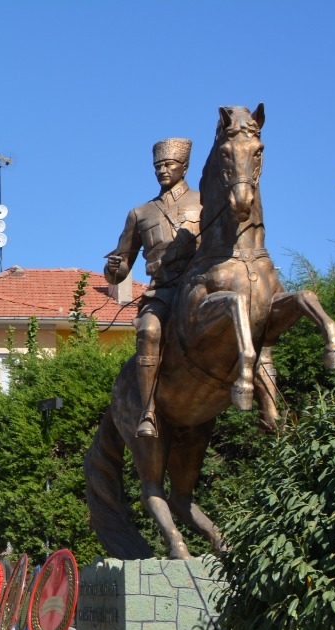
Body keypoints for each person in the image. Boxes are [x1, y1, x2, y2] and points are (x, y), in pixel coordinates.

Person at [104, 138, 203, 439]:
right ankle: (148, 411)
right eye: (157, 166)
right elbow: (122, 267)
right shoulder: (140, 213)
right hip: (162, 290)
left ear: (184, 166)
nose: (162, 170)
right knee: (147, 331)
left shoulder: (205, 202)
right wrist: (114, 268)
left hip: (200, 286)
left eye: (168, 164)